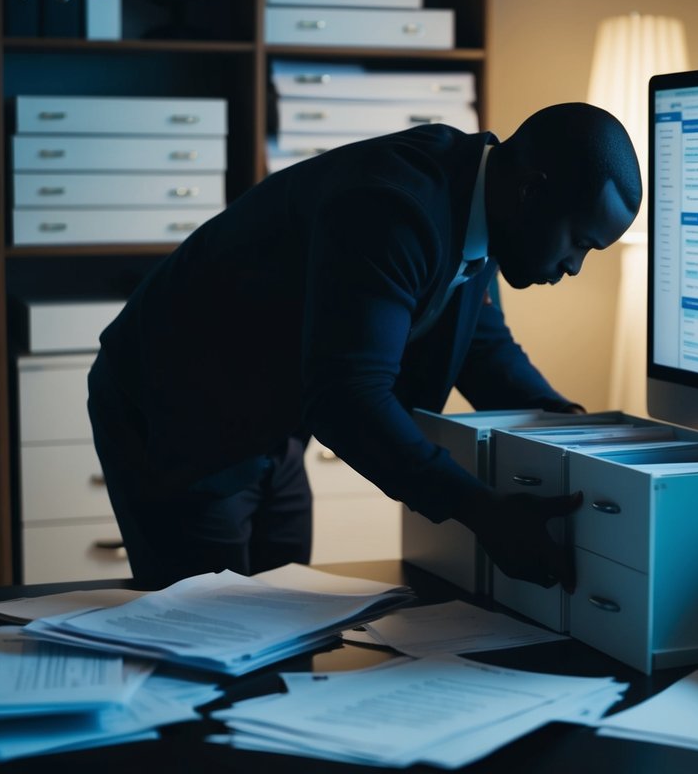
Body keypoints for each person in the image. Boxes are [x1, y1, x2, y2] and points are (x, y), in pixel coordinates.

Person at [87, 102, 642, 590]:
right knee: (206, 638)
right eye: (579, 242)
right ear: (532, 191)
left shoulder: (483, 200)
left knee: (279, 614)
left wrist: (570, 427)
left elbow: (480, 343)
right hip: (175, 408)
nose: (573, 266)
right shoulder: (394, 208)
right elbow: (347, 397)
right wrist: (483, 512)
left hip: (271, 412)